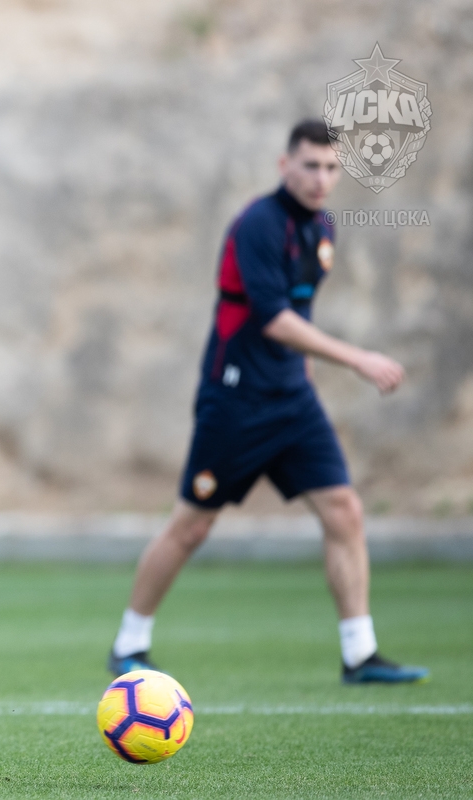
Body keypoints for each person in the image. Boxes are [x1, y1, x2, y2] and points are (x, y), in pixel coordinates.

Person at [107, 119, 429, 685]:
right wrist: (357, 358)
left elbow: (299, 316)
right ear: (285, 166)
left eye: (331, 168)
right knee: (191, 526)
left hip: (293, 401)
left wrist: (308, 374)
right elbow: (274, 319)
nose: (321, 178)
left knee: (344, 510)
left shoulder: (322, 228)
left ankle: (360, 654)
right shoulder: (258, 224)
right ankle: (129, 642)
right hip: (236, 400)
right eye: (310, 166)